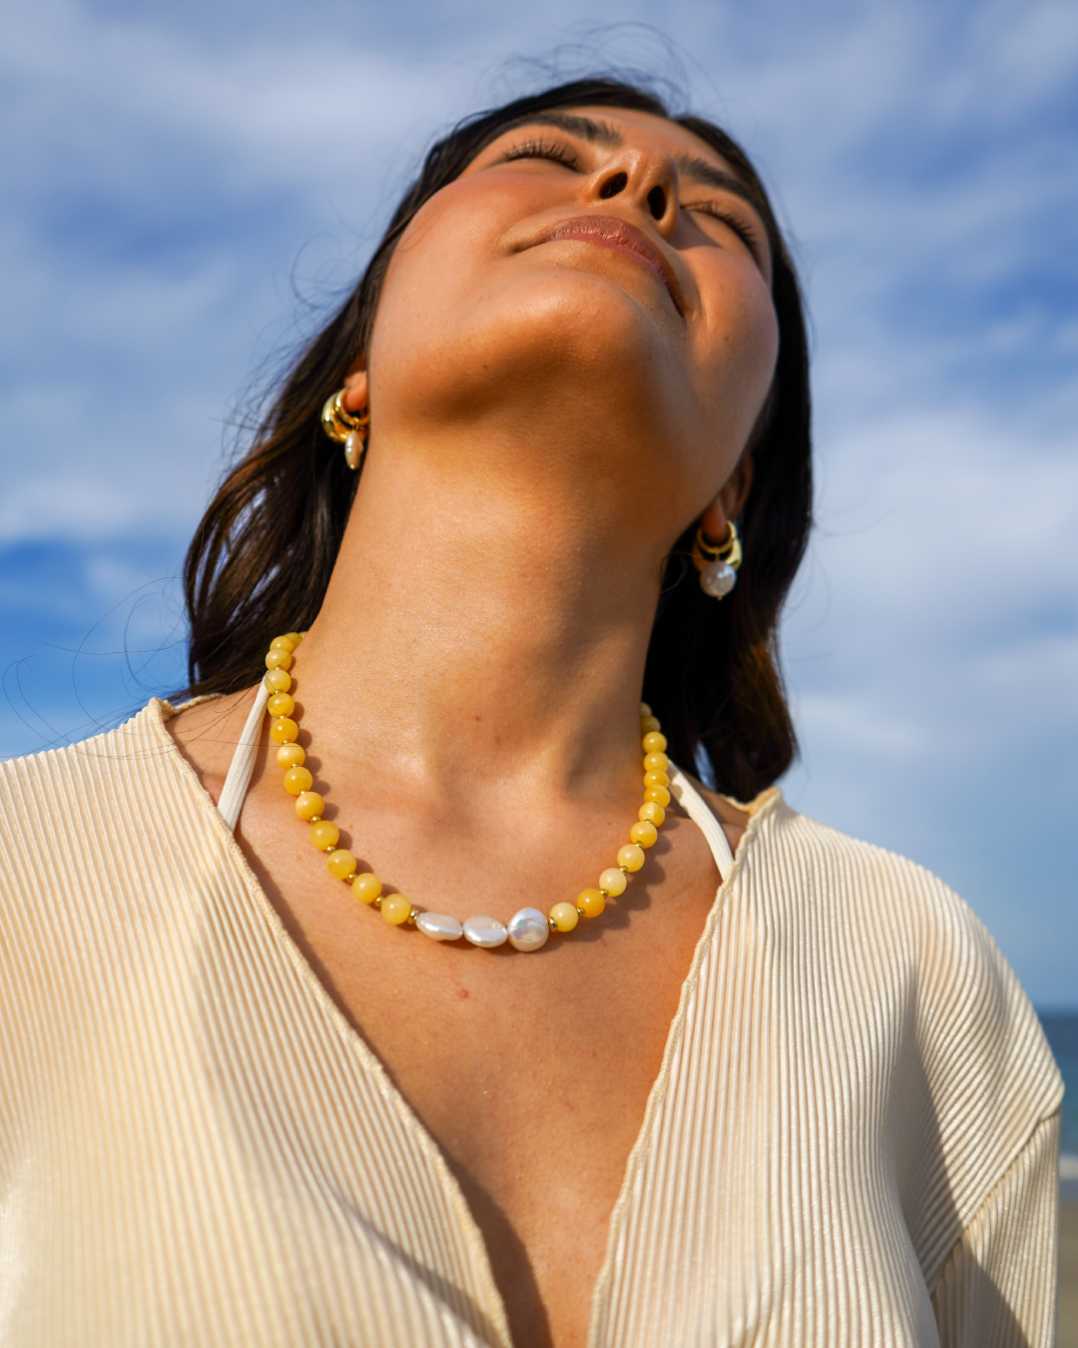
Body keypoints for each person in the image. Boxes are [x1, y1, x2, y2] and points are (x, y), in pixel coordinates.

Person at [0, 74, 1064, 1348]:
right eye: (549, 155)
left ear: (736, 477)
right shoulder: (27, 877)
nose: (639, 188)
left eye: (722, 225)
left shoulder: (912, 972)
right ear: (360, 363)